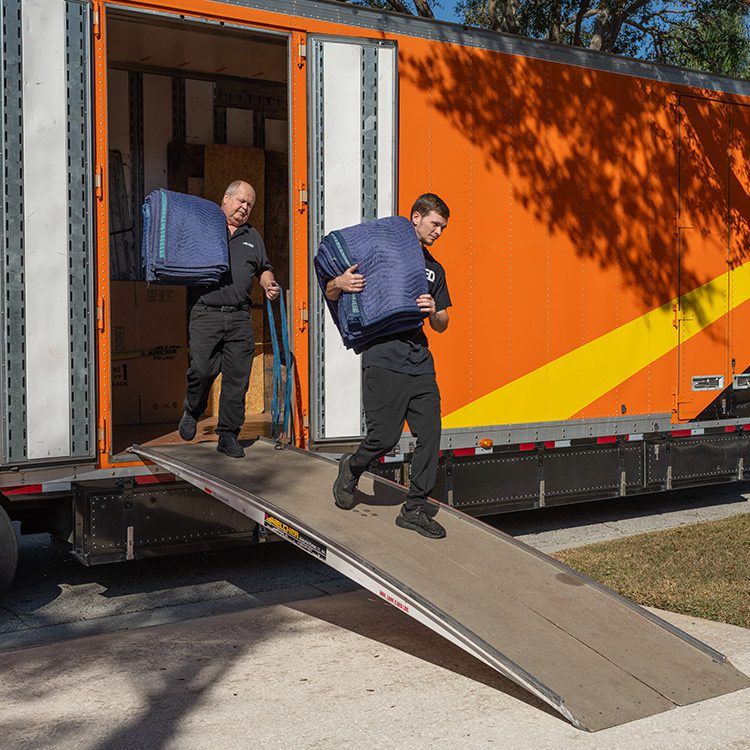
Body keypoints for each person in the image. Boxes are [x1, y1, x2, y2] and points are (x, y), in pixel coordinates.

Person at [328, 194, 452, 539]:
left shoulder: (434, 269)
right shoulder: (382, 253)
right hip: (383, 357)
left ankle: (413, 509)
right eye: (434, 224)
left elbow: (443, 323)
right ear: (415, 217)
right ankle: (351, 467)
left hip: (420, 360)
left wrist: (433, 312)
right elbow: (331, 288)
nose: (439, 231)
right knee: (384, 438)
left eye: (443, 227)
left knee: (430, 435)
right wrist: (339, 284)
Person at [178, 180, 279, 457]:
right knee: (201, 369)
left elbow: (264, 268)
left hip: (239, 318)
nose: (244, 208)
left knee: (237, 380)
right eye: (241, 201)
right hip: (206, 313)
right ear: (226, 198)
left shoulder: (252, 236)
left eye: (250, 204)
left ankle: (228, 436)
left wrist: (268, 284)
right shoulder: (206, 227)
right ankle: (192, 410)